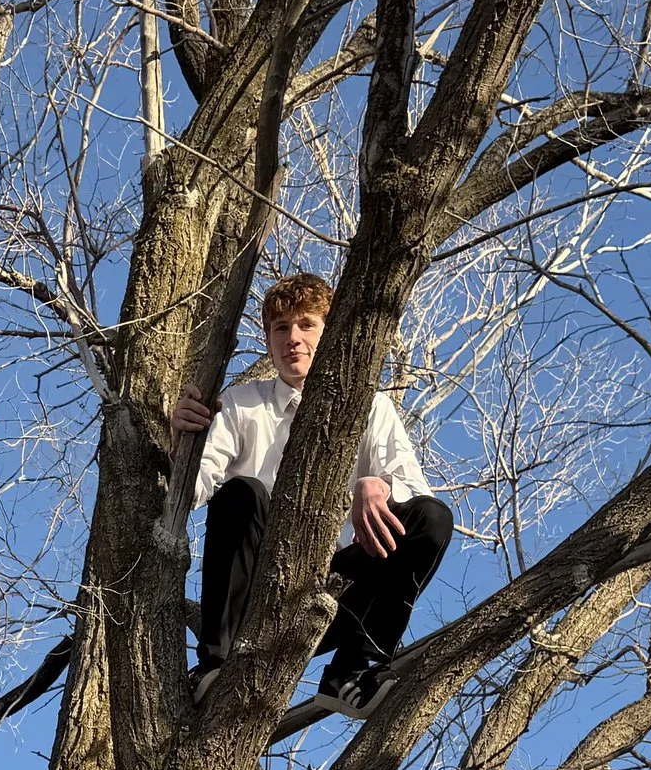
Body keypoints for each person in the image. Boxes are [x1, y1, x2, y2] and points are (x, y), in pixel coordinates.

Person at [171, 273, 453, 714]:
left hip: (336, 595)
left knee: (431, 518)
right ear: (267, 340)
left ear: (329, 332)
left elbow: (415, 490)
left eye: (306, 325)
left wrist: (377, 485)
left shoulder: (371, 406)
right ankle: (214, 665)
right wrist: (181, 444)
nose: (293, 338)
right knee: (243, 492)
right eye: (280, 328)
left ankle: (351, 670)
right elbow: (193, 490)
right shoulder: (242, 403)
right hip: (253, 592)